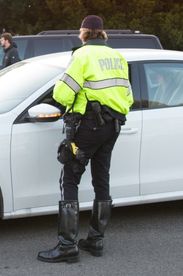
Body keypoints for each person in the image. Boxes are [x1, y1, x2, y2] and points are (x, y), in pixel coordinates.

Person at [37, 15, 133, 263]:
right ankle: (96, 240)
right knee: (102, 177)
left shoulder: (82, 55)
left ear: (83, 33)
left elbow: (62, 93)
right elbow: (128, 97)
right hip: (113, 126)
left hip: (88, 126)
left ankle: (67, 245)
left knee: (69, 176)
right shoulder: (118, 57)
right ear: (102, 34)